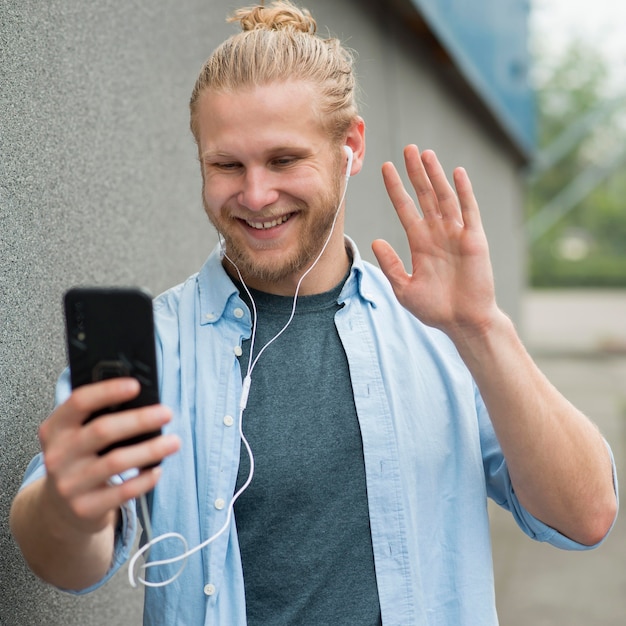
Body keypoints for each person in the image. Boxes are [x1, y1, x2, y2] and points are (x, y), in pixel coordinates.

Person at [10, 2, 618, 624]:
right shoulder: (159, 345)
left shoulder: (440, 332)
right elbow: (62, 560)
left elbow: (585, 516)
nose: (254, 195)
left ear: (349, 146)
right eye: (226, 165)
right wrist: (67, 502)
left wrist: (482, 328)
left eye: (283, 160)